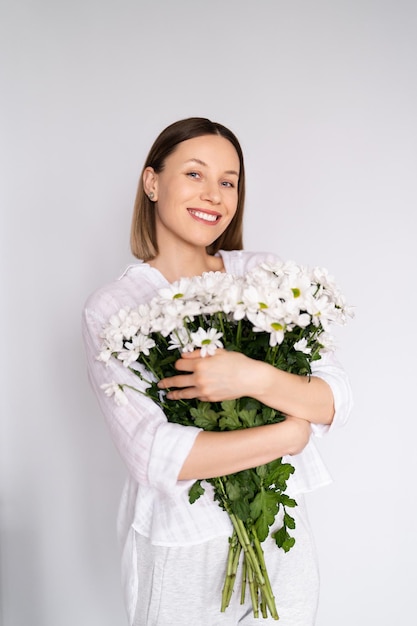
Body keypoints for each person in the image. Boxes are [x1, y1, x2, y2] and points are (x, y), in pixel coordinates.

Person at [82, 117, 352, 626]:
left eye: (229, 181)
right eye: (195, 174)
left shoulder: (263, 276)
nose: (214, 195)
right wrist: (291, 433)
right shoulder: (116, 307)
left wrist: (249, 377)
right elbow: (156, 456)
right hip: (181, 543)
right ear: (152, 182)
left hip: (277, 541)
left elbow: (334, 397)